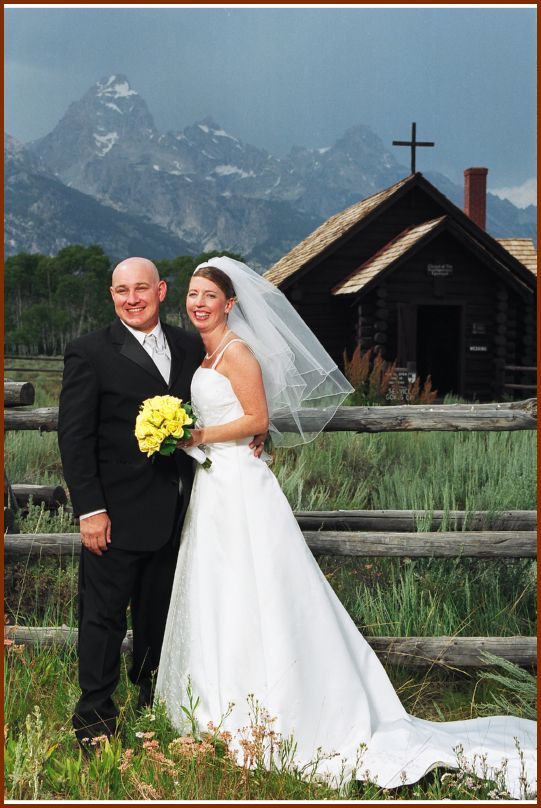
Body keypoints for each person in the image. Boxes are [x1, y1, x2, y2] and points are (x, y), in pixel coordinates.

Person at [154, 256, 536, 798]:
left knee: (256, 589)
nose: (197, 303)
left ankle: (277, 712)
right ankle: (218, 707)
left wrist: (197, 436)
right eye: (191, 295)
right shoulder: (205, 352)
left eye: (207, 296)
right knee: (220, 591)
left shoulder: (239, 354)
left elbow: (258, 419)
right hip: (214, 488)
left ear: (230, 303)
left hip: (240, 486)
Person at [58, 256, 265, 750]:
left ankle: (155, 700)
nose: (132, 298)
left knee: (161, 616)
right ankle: (94, 719)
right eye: (122, 290)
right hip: (113, 514)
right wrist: (90, 510)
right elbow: (75, 438)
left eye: (141, 289)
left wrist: (260, 433)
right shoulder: (89, 352)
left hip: (182, 512)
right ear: (112, 296)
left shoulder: (190, 343)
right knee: (103, 617)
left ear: (161, 290)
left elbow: (236, 399)